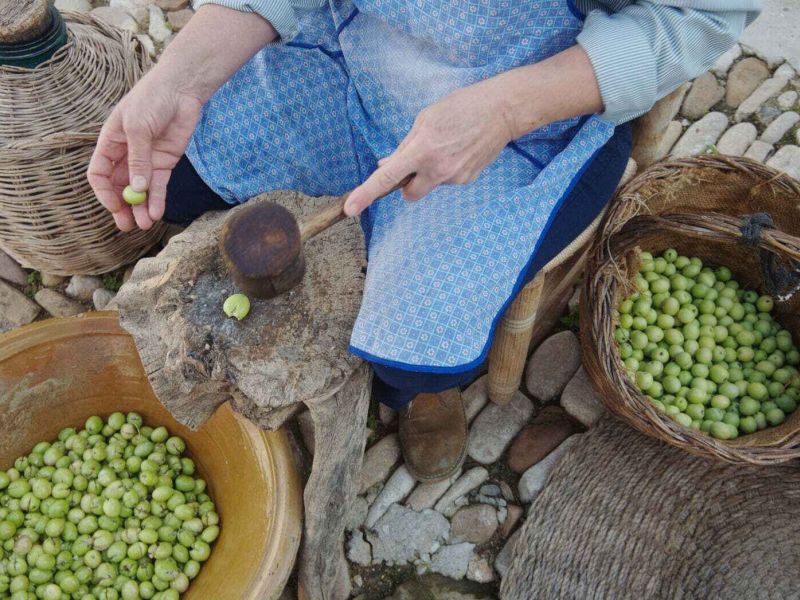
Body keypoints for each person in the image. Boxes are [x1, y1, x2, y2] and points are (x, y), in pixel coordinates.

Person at [89, 0, 760, 482]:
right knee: (182, 174)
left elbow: (694, 17)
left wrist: (503, 110)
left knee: (419, 357)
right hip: (360, 44)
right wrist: (179, 79)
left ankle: (421, 393)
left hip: (528, 106)